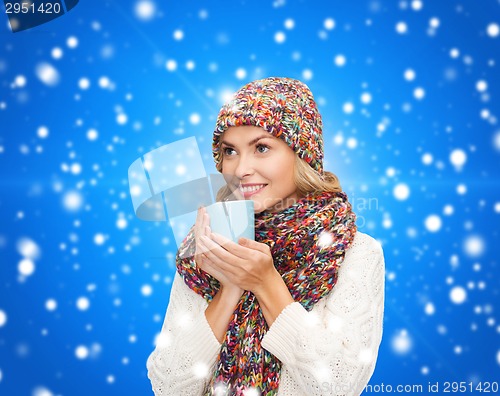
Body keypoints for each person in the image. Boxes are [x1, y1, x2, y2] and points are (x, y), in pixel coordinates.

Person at [146, 77, 385, 396]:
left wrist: (264, 283)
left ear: (302, 154)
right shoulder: (207, 246)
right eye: (230, 151)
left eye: (261, 147)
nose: (241, 168)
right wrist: (229, 288)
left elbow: (337, 385)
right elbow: (168, 386)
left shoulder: (355, 252)